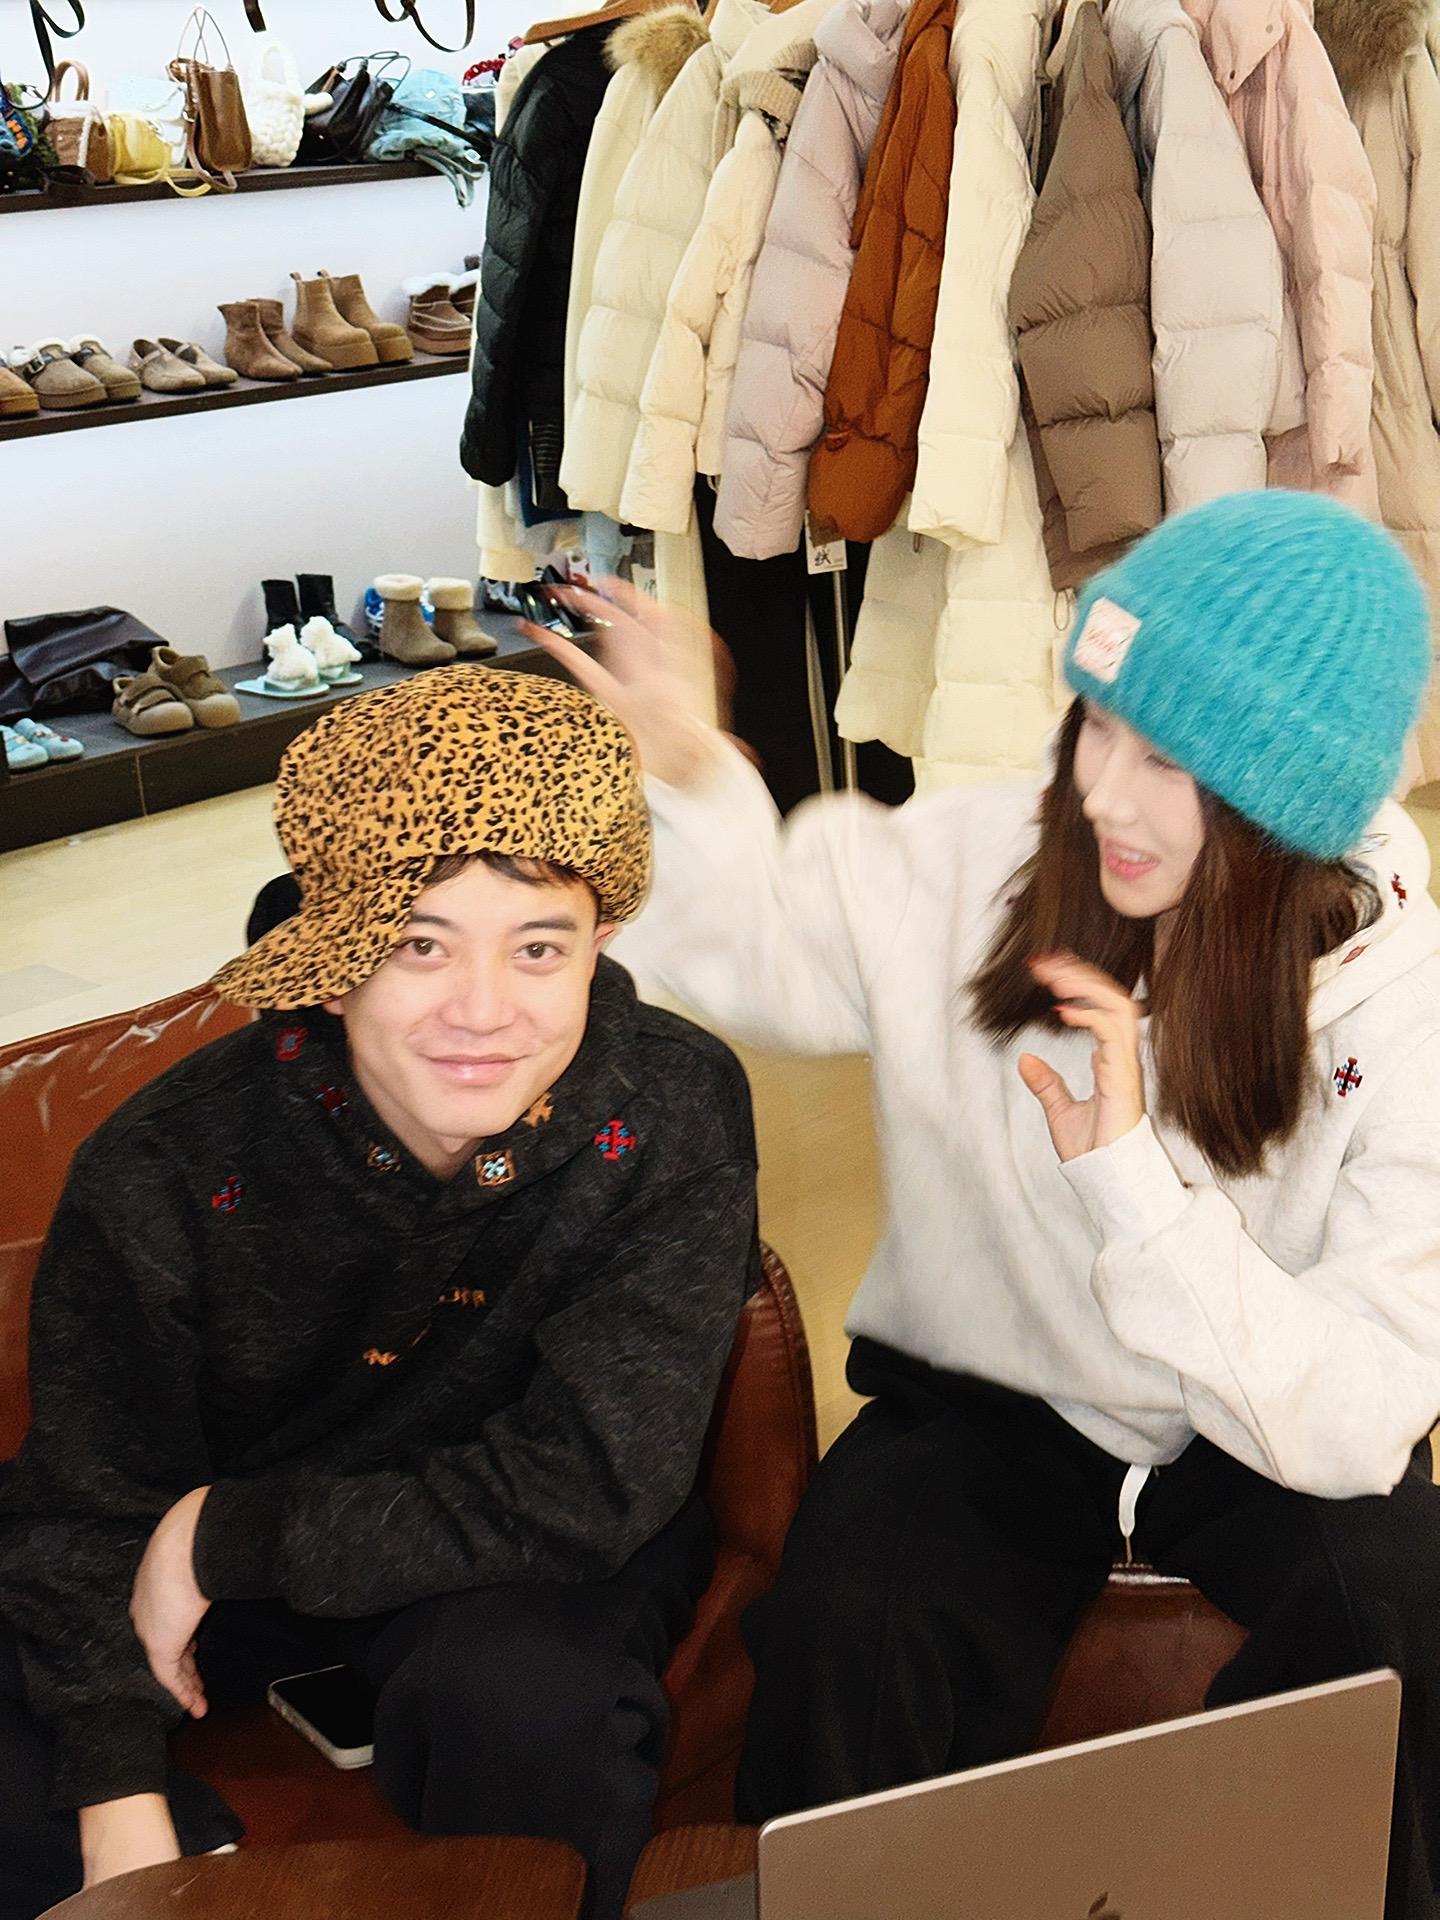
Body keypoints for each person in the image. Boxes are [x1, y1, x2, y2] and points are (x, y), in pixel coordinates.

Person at [534, 490, 1440, 1920]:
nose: (1104, 793)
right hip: (993, 1396)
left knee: (1402, 1620)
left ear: (1284, 810)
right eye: (1099, 725)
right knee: (851, 1619)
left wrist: (1132, 1182)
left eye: (1170, 762)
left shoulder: (1401, 1005)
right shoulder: (989, 856)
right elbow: (767, 945)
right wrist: (689, 768)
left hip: (1266, 1419)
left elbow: (1362, 1405)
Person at [0, 667, 759, 1920]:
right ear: (335, 952)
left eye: (538, 948)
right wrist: (117, 1797)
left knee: (527, 1701)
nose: (483, 1012)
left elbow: (594, 1481)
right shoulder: (169, 1163)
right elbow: (89, 1501)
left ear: (602, 943)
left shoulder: (667, 1108)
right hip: (207, 1566)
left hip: (510, 1535)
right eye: (418, 944)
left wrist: (228, 1535)